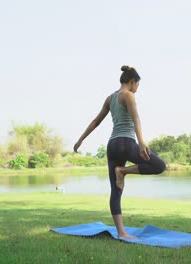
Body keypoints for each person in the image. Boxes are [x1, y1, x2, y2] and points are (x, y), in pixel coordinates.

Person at [73, 65, 166, 239]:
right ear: (132, 82)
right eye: (137, 85)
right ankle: (123, 171)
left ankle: (122, 232)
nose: (137, 90)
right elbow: (136, 118)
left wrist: (80, 139)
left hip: (113, 145)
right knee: (159, 165)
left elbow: (96, 121)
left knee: (115, 192)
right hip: (127, 143)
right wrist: (141, 142)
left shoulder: (110, 98)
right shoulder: (128, 95)